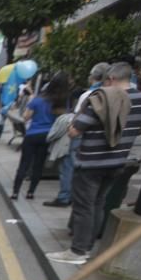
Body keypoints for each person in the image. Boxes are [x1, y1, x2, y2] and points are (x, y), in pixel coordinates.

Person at [47, 62, 141, 265]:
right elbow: (140, 128)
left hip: (91, 161)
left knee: (84, 207)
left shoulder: (101, 98)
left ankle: (78, 251)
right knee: (99, 204)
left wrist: (74, 122)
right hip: (118, 161)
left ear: (111, 79)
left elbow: (75, 130)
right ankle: (87, 247)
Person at [45, 62, 111, 208]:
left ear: (93, 76)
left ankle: (64, 196)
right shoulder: (111, 95)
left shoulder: (89, 95)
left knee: (68, 167)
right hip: (102, 145)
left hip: (80, 136)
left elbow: (77, 121)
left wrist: (71, 128)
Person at [10, 72, 71, 200]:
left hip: (32, 134)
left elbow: (26, 117)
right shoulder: (62, 103)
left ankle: (15, 192)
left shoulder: (38, 99)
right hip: (47, 136)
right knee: (38, 165)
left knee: (24, 164)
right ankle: (31, 192)